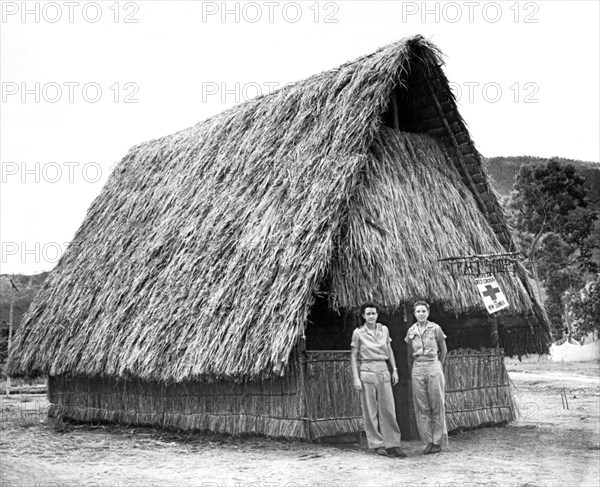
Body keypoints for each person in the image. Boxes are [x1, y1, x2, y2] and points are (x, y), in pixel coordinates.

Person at [350, 302, 406, 458]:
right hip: (367, 371)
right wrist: (356, 377)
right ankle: (377, 444)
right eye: (368, 314)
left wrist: (394, 370)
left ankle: (393, 444)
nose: (371, 316)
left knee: (388, 408)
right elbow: (353, 356)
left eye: (373, 313)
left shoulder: (384, 330)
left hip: (383, 369)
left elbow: (389, 350)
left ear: (377, 314)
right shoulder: (358, 333)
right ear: (363, 316)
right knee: (370, 409)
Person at [405, 300, 448, 454]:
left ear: (428, 313)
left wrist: (439, 365)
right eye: (418, 312)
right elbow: (410, 351)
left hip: (433, 365)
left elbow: (443, 349)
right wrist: (415, 368)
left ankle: (438, 441)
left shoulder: (435, 328)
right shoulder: (411, 331)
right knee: (421, 406)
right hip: (418, 367)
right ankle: (428, 441)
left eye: (423, 311)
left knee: (437, 403)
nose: (421, 314)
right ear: (414, 314)